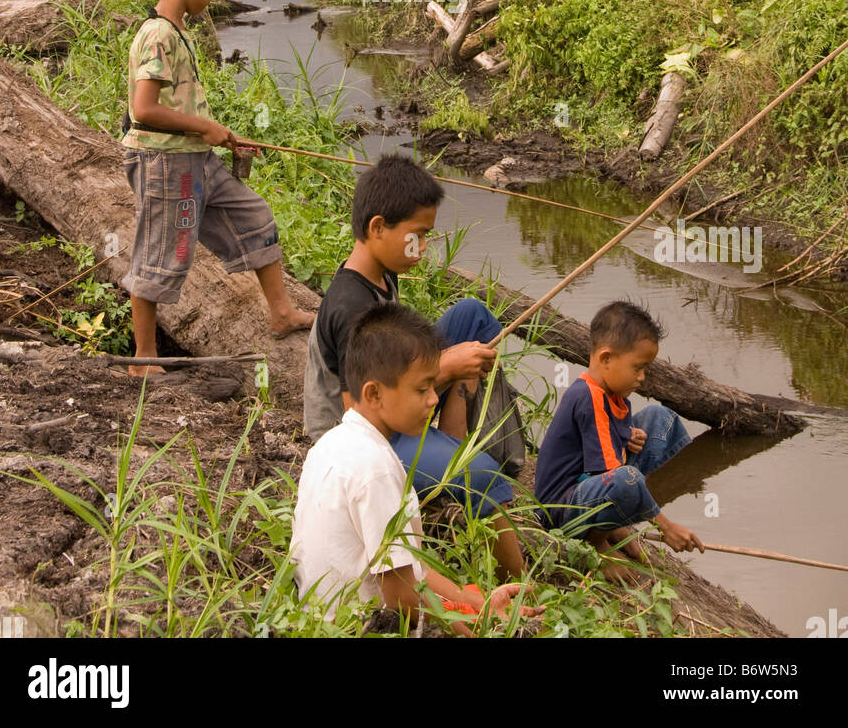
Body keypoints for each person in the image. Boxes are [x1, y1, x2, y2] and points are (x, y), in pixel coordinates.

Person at [303, 152, 524, 576]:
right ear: (378, 227)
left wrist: (453, 377)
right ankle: (520, 581)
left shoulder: (382, 272)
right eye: (417, 236)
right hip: (357, 428)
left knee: (474, 317)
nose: (423, 248)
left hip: (390, 392)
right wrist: (445, 367)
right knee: (486, 479)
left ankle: (474, 435)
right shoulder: (350, 307)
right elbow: (364, 411)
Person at [120, 0, 313, 379]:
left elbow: (176, 104)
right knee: (160, 253)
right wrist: (205, 126)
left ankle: (282, 313)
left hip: (194, 158)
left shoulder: (176, 30)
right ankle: (143, 359)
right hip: (165, 164)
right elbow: (143, 109)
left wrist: (222, 136)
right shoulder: (157, 35)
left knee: (254, 216)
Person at [292, 303, 542, 633]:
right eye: (422, 389)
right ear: (374, 393)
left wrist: (474, 603)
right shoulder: (377, 468)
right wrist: (469, 619)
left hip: (319, 617)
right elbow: (400, 597)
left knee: (469, 597)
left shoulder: (331, 444)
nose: (433, 399)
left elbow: (406, 568)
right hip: (357, 625)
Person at [534, 300, 704, 568]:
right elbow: (612, 476)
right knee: (626, 479)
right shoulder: (587, 397)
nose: (642, 378)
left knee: (661, 420)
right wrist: (665, 526)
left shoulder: (612, 393)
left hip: (587, 486)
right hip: (561, 509)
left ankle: (614, 524)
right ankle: (596, 541)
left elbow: (607, 439)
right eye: (637, 368)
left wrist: (626, 435)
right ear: (606, 359)